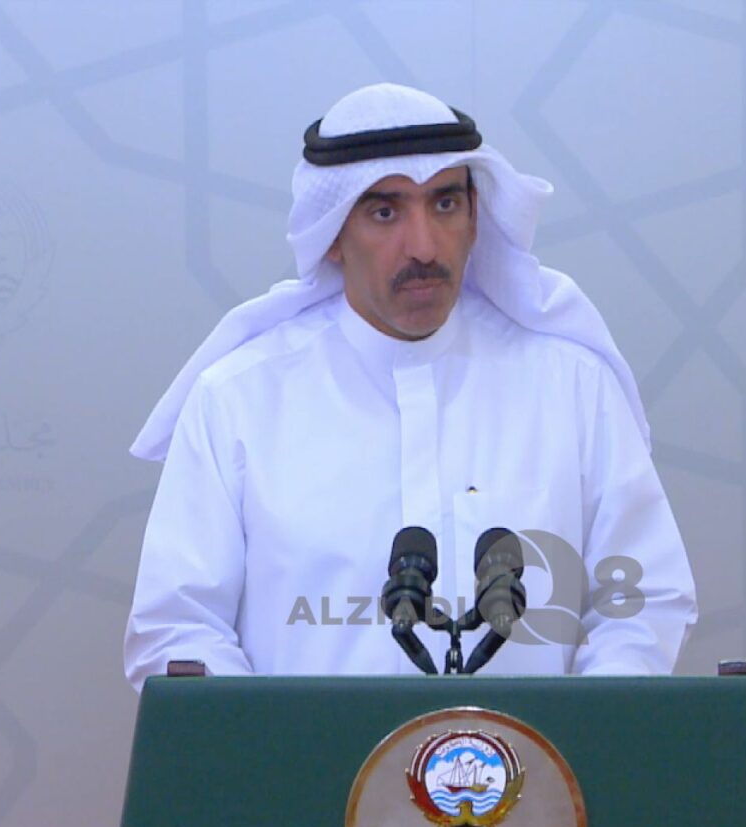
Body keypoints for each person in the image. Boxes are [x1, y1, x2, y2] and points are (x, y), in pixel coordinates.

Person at [124, 83, 696, 687]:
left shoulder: (572, 386)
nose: (423, 247)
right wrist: (276, 741)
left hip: (532, 754)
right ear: (333, 235)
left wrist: (577, 730)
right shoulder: (239, 400)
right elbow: (177, 628)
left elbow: (643, 600)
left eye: (444, 204)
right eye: (385, 212)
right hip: (307, 754)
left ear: (474, 219)